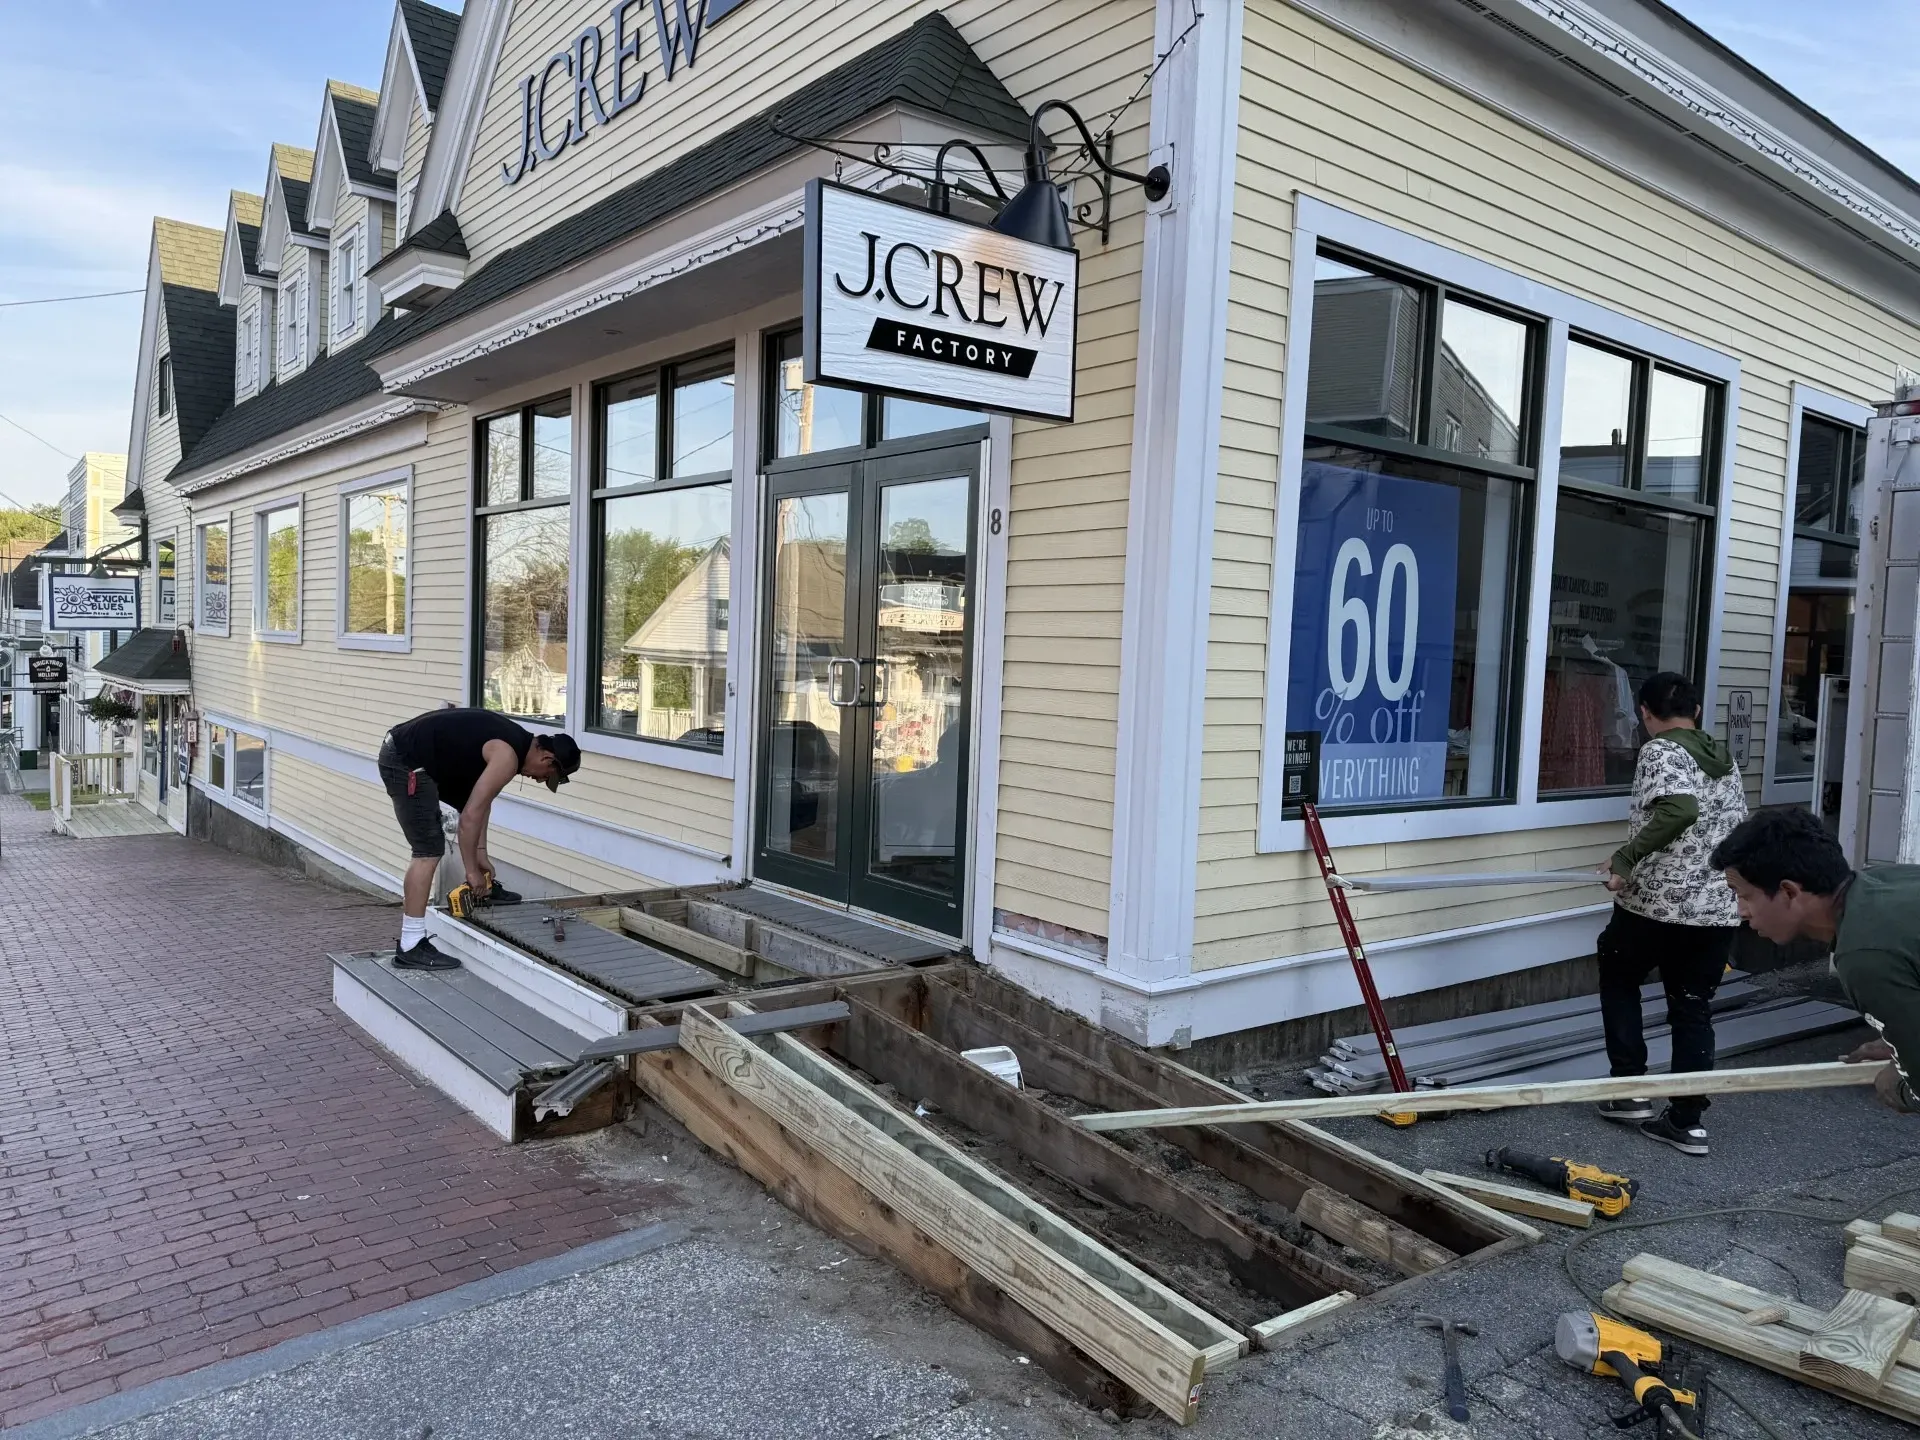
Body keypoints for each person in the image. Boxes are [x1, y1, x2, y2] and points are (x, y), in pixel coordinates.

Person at [1592, 672, 1748, 1155]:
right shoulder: (1722, 758)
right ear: (1696, 711)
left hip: (1657, 902)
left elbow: (1678, 809)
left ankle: (1627, 1090)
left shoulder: (1659, 751)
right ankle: (1686, 1121)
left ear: (1643, 713)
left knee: (1618, 974)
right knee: (1691, 1005)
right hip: (1716, 906)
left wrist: (1624, 859)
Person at [1712, 807, 1920, 1113]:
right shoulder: (1886, 882)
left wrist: (1901, 1086)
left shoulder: (1865, 956)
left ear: (1789, 892)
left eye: (1743, 895)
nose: (1741, 911)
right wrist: (1901, 1041)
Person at [377, 707, 581, 969]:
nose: (538, 780)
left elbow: (480, 803)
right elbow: (469, 818)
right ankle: (410, 944)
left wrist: (481, 855)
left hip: (418, 757)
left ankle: (480, 891)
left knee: (440, 839)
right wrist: (471, 871)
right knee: (427, 850)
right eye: (545, 776)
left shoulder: (514, 744)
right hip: (405, 760)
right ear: (547, 758)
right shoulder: (507, 755)